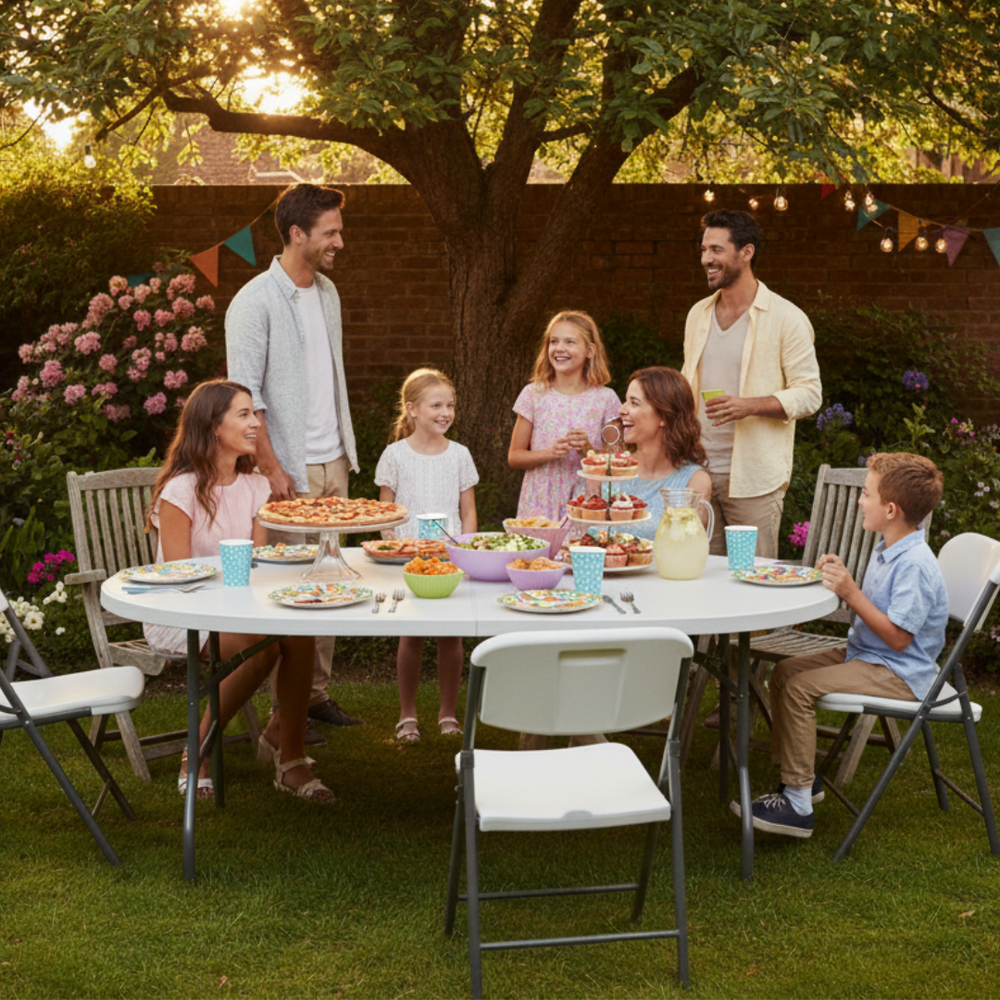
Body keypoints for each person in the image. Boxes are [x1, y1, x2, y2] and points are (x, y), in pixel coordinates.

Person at [144, 380, 334, 802]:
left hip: (240, 608)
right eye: (244, 415)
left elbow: (257, 565)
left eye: (255, 414)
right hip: (183, 612)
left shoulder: (255, 487)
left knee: (301, 632)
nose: (256, 425)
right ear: (213, 425)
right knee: (261, 649)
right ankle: (196, 755)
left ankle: (290, 760)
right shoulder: (181, 491)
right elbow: (180, 577)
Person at [740, 452, 947, 838]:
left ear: (890, 508)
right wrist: (843, 577)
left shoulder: (915, 562)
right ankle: (800, 780)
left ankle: (798, 808)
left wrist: (850, 591)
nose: (859, 501)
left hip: (899, 671)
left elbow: (900, 639)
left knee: (801, 688)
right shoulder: (888, 547)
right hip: (868, 654)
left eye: (865, 494)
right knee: (785, 672)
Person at [226, 182, 363, 739]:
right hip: (287, 470)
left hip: (334, 461)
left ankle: (313, 695)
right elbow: (245, 395)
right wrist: (273, 468)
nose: (339, 241)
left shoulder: (327, 292)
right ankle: (285, 711)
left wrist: (343, 456)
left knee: (332, 581)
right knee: (293, 593)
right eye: (330, 232)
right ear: (296, 234)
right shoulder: (253, 302)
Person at [681, 209, 821, 559]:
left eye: (716, 250)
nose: (705, 260)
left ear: (746, 252)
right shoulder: (698, 314)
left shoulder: (787, 318)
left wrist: (750, 405)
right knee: (699, 579)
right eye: (703, 250)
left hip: (754, 479)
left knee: (754, 580)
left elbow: (810, 394)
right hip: (698, 473)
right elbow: (686, 385)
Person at [375, 369, 479, 743]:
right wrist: (396, 550)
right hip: (410, 562)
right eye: (436, 405)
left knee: (451, 637)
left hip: (450, 560)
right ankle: (407, 715)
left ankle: (448, 713)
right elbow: (385, 511)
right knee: (412, 635)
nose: (445, 412)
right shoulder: (395, 455)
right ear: (412, 409)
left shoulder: (460, 455)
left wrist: (464, 549)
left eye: (450, 405)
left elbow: (468, 510)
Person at [508, 310, 621, 522]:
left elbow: (617, 465)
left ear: (590, 350)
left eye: (570, 342)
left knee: (579, 553)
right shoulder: (533, 394)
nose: (560, 348)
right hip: (539, 502)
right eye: (554, 341)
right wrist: (549, 453)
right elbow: (514, 457)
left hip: (586, 502)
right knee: (538, 555)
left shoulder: (606, 399)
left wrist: (589, 452)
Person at [616, 367, 713, 540]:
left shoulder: (694, 481)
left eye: (634, 403)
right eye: (626, 401)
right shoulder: (611, 471)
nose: (622, 410)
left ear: (664, 417)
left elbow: (689, 546)